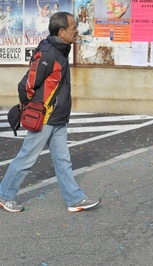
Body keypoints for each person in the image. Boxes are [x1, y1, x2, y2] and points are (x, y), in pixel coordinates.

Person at [0, 12, 101, 213]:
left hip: (57, 117)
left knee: (63, 160)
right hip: (44, 117)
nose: (76, 31)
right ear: (61, 32)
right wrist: (26, 104)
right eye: (73, 28)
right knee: (27, 158)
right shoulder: (49, 53)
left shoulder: (60, 50)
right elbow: (27, 85)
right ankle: (4, 196)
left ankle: (74, 199)